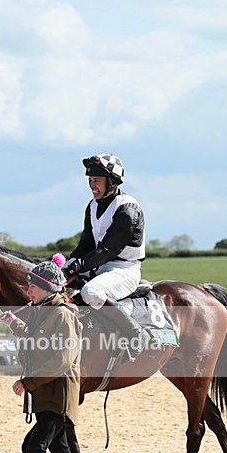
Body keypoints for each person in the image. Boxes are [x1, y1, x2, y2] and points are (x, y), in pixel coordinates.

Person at [2, 260, 90, 453]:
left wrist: (28, 382)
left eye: (32, 285)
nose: (28, 289)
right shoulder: (43, 312)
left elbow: (62, 360)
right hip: (46, 395)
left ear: (46, 288)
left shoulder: (62, 315)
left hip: (57, 396)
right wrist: (14, 323)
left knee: (33, 449)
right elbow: (34, 340)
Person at [62, 153, 149, 361]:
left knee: (91, 292)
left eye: (97, 181)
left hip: (124, 270)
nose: (93, 186)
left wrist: (75, 268)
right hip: (99, 268)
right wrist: (66, 266)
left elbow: (107, 251)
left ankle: (136, 333)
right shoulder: (92, 206)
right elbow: (85, 245)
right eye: (90, 181)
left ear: (111, 182)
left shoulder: (127, 209)